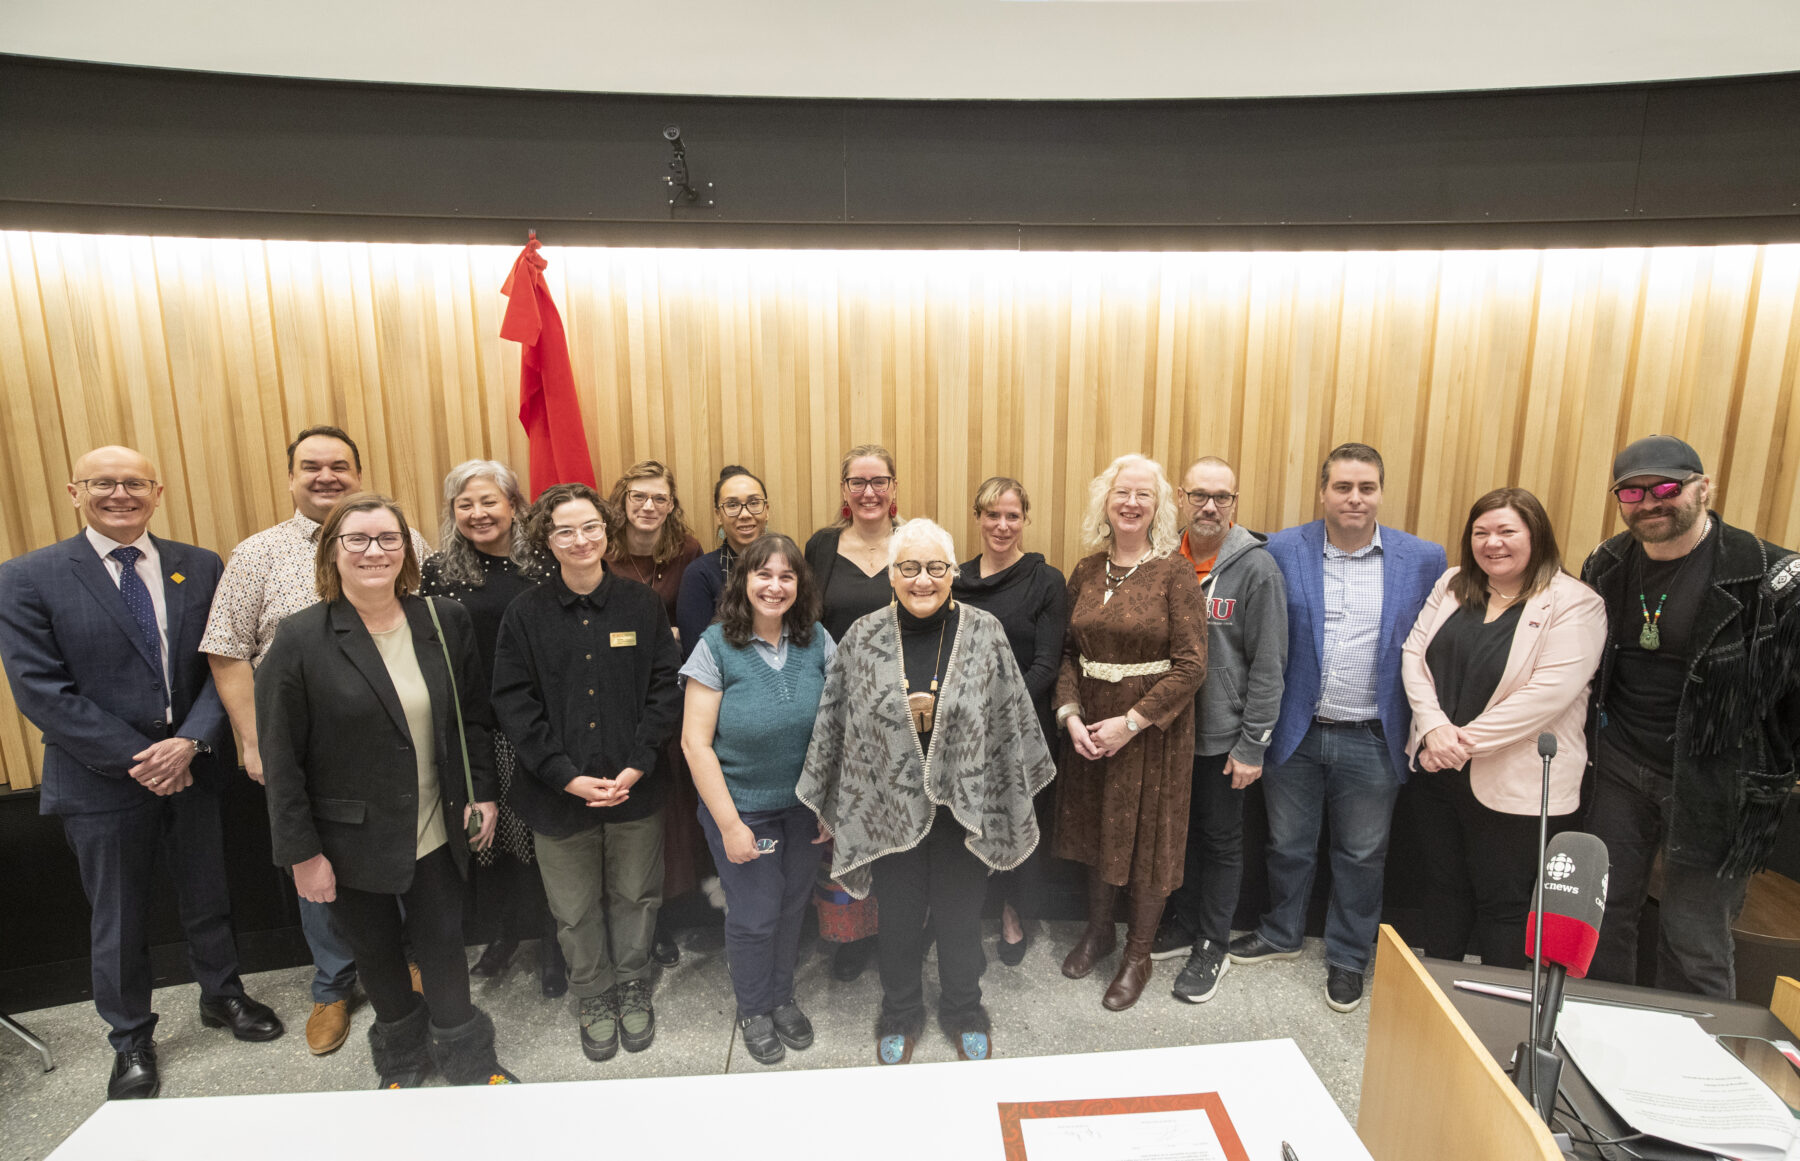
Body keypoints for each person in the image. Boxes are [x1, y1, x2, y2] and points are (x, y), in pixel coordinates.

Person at [0, 446, 283, 1101]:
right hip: (100, 778)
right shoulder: (28, 576)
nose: (119, 493)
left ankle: (223, 995)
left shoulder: (198, 565)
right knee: (118, 915)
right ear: (75, 491)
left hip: (194, 764)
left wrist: (188, 742)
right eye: (104, 482)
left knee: (208, 892)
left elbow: (225, 658)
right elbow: (40, 689)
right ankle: (129, 1036)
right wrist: (143, 756)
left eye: (134, 482)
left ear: (156, 492)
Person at [256, 493, 516, 1088]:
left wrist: (483, 793)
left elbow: (471, 718)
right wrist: (301, 853)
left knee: (444, 944)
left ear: (406, 550)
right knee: (376, 954)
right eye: (358, 540)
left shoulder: (443, 621)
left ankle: (469, 1062)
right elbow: (281, 758)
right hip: (346, 839)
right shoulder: (299, 638)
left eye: (388, 539)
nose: (375, 551)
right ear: (333, 552)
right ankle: (402, 1059)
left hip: (436, 818)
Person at [200, 424, 429, 1055]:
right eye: (311, 467)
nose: (326, 477)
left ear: (358, 473)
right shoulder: (258, 553)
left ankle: (402, 965)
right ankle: (333, 983)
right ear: (291, 475)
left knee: (404, 857)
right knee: (318, 864)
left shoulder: (405, 540)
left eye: (339, 466)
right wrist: (253, 741)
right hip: (307, 750)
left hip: (398, 742)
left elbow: (430, 631)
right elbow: (227, 653)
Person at [799, 519, 1054, 1064]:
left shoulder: (984, 632)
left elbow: (1011, 719)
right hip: (888, 811)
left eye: (936, 567)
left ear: (951, 572)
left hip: (962, 811)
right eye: (909, 567)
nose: (922, 580)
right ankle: (900, 1011)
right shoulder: (862, 637)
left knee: (962, 919)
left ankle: (964, 1008)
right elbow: (837, 726)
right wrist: (836, 804)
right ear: (892, 574)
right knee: (897, 920)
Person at [1228, 442, 1445, 1014]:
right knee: (1288, 845)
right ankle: (1280, 932)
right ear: (1323, 491)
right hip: (1296, 730)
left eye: (1366, 488)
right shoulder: (1278, 549)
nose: (1354, 498)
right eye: (1343, 487)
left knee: (1362, 855)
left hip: (1374, 735)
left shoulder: (1423, 559)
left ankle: (1349, 955)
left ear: (1380, 492)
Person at [1582, 435, 1800, 997]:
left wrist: (1770, 771)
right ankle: (1602, 1042)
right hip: (1618, 769)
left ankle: (1700, 1071)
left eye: (1666, 488)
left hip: (1719, 781)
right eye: (1632, 491)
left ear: (1704, 489)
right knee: (1603, 919)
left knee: (1695, 939)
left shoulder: (1774, 579)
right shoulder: (1605, 564)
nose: (1649, 502)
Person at [492, 484, 682, 1061]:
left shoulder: (640, 605)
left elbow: (663, 688)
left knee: (636, 895)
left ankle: (632, 984)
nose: (580, 540)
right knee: (573, 910)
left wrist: (638, 763)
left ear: (607, 532)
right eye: (565, 531)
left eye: (590, 528)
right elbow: (513, 703)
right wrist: (564, 775)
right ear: (547, 541)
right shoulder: (524, 613)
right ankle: (594, 993)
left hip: (635, 787)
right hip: (557, 795)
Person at [1400, 487, 1605, 968]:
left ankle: (1497, 1012)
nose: (1493, 543)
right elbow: (1414, 656)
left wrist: (1454, 745)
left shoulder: (1575, 602)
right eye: (1481, 532)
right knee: (1443, 887)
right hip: (1438, 775)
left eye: (1507, 531)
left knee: (1505, 905)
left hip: (1517, 782)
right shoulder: (1453, 584)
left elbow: (1547, 695)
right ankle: (1437, 993)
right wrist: (1432, 729)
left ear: (1536, 536)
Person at [1054, 454, 1208, 1011]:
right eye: (1122, 492)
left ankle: (1138, 954)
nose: (1131, 503)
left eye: (1144, 494)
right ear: (1106, 501)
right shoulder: (1086, 571)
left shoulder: (1175, 571)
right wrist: (1071, 715)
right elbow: (1066, 652)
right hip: (1091, 728)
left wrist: (1132, 722)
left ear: (1159, 506)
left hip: (1152, 734)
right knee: (1100, 830)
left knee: (1147, 842)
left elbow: (1193, 665)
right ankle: (1099, 933)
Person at [680, 534, 833, 1065]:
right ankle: (754, 1008)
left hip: (803, 809)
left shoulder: (817, 642)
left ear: (800, 585)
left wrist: (829, 803)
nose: (774, 586)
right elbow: (694, 744)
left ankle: (782, 996)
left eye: (786, 576)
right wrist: (729, 825)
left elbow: (838, 728)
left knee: (792, 908)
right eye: (763, 575)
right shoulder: (717, 645)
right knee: (754, 914)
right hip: (744, 807)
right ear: (744, 582)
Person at [419, 460, 564, 997]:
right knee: (490, 838)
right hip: (474, 724)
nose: (478, 514)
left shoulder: (544, 565)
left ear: (513, 505)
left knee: (542, 835)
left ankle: (552, 943)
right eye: (465, 504)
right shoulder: (439, 572)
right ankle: (503, 934)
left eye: (488, 501)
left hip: (538, 722)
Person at [1151, 457, 1288, 1004]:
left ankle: (1213, 942)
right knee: (1177, 835)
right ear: (1181, 498)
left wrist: (1253, 744)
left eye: (1222, 497)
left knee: (1222, 840)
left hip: (1223, 736)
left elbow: (1269, 665)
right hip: (1166, 732)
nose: (1210, 506)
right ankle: (1184, 920)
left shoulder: (1258, 570)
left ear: (1235, 502)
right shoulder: (1162, 559)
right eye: (1200, 495)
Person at [951, 476, 1066, 967]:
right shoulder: (952, 579)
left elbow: (1048, 662)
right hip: (961, 727)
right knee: (965, 822)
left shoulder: (1047, 580)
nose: (1002, 525)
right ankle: (964, 912)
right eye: (992, 514)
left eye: (1012, 515)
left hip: (1024, 727)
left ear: (1025, 520)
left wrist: (999, 711)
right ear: (977, 517)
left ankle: (1014, 915)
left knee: (1019, 820)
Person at [802, 443, 902, 981]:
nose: (869, 492)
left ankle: (904, 927)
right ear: (844, 491)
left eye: (879, 481)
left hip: (907, 714)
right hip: (836, 712)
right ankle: (853, 933)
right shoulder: (820, 546)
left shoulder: (915, 543)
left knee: (902, 819)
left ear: (894, 488)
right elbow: (801, 621)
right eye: (858, 482)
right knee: (847, 823)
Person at [605, 460, 703, 967]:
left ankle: (686, 904)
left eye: (659, 499)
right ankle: (652, 918)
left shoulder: (685, 549)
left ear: (671, 504)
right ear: (622, 500)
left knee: (680, 799)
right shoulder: (602, 546)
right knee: (643, 801)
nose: (648, 507)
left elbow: (700, 617)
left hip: (678, 688)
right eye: (638, 497)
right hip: (621, 691)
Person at [676, 465, 772, 659]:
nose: (745, 514)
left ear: (766, 510)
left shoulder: (788, 567)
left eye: (754, 503)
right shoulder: (699, 574)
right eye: (732, 505)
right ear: (718, 515)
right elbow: (698, 656)